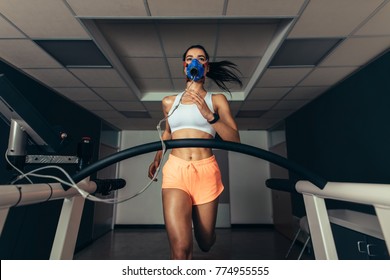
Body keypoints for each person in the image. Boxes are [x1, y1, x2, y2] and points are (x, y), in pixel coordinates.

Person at [148, 45, 242, 260]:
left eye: (200, 58)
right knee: (180, 248)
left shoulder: (217, 100)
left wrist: (210, 116)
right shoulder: (169, 102)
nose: (194, 62)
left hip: (206, 171)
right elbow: (168, 133)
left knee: (206, 242)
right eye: (190, 58)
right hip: (176, 172)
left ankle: (208, 236)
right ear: (184, 67)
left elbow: (235, 140)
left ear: (206, 68)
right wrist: (157, 159)